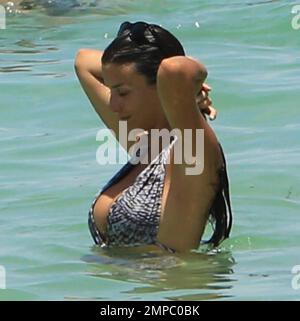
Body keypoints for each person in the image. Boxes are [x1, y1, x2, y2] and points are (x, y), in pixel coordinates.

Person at [74, 21, 232, 253]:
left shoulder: (192, 154)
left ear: (161, 87)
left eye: (123, 92)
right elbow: (82, 61)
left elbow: (176, 70)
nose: (113, 104)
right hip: (124, 288)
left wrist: (189, 89)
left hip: (170, 289)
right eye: (111, 89)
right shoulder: (145, 144)